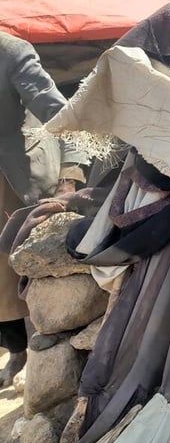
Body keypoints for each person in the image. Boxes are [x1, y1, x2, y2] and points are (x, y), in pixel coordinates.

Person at [0, 31, 91, 386]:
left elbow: (61, 114)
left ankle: (50, 359)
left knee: (28, 268)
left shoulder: (10, 51)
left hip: (18, 176)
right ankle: (16, 350)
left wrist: (70, 175)